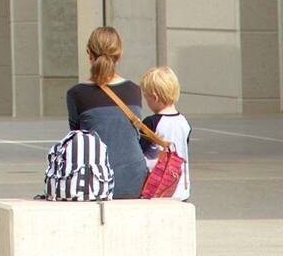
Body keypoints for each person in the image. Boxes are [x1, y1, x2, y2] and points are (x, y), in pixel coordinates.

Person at [65, 27, 150, 199]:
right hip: (135, 179)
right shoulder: (134, 90)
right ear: (119, 55)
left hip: (95, 182)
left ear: (89, 54)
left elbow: (76, 138)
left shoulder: (76, 93)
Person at [139, 66, 193, 201]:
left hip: (156, 186)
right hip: (180, 187)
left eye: (146, 97)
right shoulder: (184, 122)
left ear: (155, 97)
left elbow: (139, 151)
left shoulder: (152, 122)